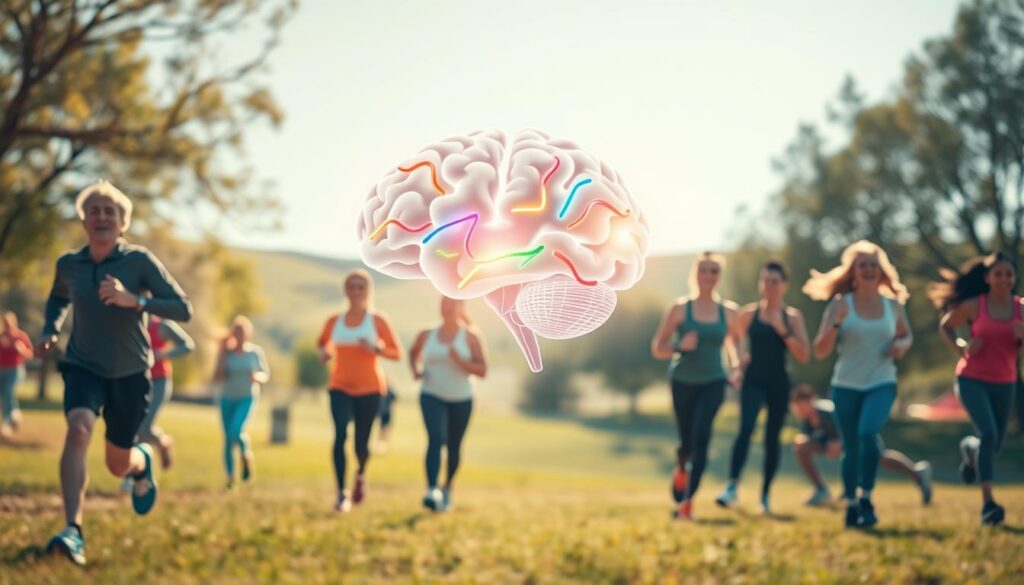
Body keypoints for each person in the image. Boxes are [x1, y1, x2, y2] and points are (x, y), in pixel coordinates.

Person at [40, 181, 193, 565]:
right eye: (94, 210)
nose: (102, 216)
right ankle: (72, 530)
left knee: (117, 464)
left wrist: (135, 300)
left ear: (123, 223)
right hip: (83, 365)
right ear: (84, 220)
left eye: (111, 211)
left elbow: (182, 308)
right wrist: (51, 327)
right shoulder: (69, 265)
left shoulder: (138, 261)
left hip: (130, 373)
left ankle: (141, 462)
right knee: (77, 429)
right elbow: (59, 296)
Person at [807, 240, 912, 529]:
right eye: (862, 265)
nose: (868, 269)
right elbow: (821, 350)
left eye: (873, 265)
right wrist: (837, 323)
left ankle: (866, 497)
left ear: (881, 271)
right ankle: (852, 504)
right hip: (846, 386)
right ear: (853, 271)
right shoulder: (841, 305)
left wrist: (901, 346)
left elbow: (906, 336)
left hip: (881, 382)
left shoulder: (893, 305)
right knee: (850, 446)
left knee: (867, 434)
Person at [930, 252, 1021, 525]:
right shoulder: (974, 305)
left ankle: (971, 451)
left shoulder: (1021, 309)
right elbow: (946, 326)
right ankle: (988, 505)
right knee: (990, 433)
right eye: (998, 274)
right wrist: (961, 347)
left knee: (992, 444)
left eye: (1008, 274)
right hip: (972, 379)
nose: (1004, 279)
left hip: (1005, 382)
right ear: (987, 278)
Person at [651, 252, 741, 520]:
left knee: (702, 436)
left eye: (714, 271)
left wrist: (736, 368)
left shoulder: (729, 311)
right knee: (686, 443)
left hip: (714, 381)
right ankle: (681, 467)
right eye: (704, 270)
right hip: (682, 382)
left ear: (719, 276)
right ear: (696, 274)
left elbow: (736, 343)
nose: (709, 276)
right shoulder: (680, 308)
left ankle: (687, 504)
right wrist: (679, 346)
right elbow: (658, 347)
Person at [716, 261, 810, 514]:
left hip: (778, 383)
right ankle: (731, 488)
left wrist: (782, 330)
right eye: (765, 281)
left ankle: (765, 496)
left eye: (774, 282)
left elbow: (803, 355)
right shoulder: (749, 314)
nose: (769, 286)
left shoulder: (792, 317)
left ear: (784, 285)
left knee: (772, 439)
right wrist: (737, 363)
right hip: (753, 380)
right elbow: (732, 339)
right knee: (746, 428)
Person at [317, 269, 402, 512]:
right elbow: (322, 344)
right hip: (339, 386)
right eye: (351, 287)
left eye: (360, 287)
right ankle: (341, 493)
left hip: (370, 389)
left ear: (368, 291)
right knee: (340, 434)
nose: (355, 291)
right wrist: (324, 353)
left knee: (361, 445)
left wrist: (375, 349)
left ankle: (361, 474)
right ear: (345, 290)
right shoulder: (334, 321)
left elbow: (397, 353)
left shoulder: (377, 320)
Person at [789, 385, 932, 507]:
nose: (798, 410)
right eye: (796, 407)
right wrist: (803, 439)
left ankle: (918, 473)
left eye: (801, 405)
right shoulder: (808, 419)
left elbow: (849, 426)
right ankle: (821, 491)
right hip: (841, 444)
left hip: (858, 435)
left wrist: (840, 442)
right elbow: (812, 437)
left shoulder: (827, 411)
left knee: (879, 458)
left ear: (811, 401)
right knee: (802, 449)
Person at [408, 296, 488, 512]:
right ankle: (431, 490)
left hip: (461, 399)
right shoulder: (427, 334)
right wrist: (416, 370)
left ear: (462, 308)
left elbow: (482, 371)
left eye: (452, 304)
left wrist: (459, 361)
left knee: (454, 446)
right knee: (436, 439)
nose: (447, 308)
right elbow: (413, 352)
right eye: (444, 304)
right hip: (431, 394)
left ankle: (447, 488)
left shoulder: (470, 336)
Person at [214, 316, 269, 489]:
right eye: (236, 332)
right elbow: (217, 377)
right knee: (228, 439)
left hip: (247, 397)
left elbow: (265, 374)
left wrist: (257, 377)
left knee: (235, 430)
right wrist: (222, 354)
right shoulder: (226, 353)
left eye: (242, 332)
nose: (239, 335)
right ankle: (230, 479)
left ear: (248, 334)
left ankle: (245, 453)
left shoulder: (255, 352)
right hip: (227, 398)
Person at [0, 311, 33, 437]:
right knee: (4, 396)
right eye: (5, 323)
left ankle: (7, 423)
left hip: (15, 370)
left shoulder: (20, 336)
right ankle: (15, 416)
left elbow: (30, 354)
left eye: (9, 323)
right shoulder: (2, 336)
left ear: (14, 322)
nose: (7, 325)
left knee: (8, 392)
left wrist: (21, 349)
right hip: (1, 369)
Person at [376, 385, 398, 453]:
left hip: (388, 413)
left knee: (386, 429)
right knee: (381, 428)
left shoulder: (391, 392)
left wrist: (393, 410)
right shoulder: (381, 390)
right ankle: (380, 444)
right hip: (382, 412)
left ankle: (386, 444)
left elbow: (394, 402)